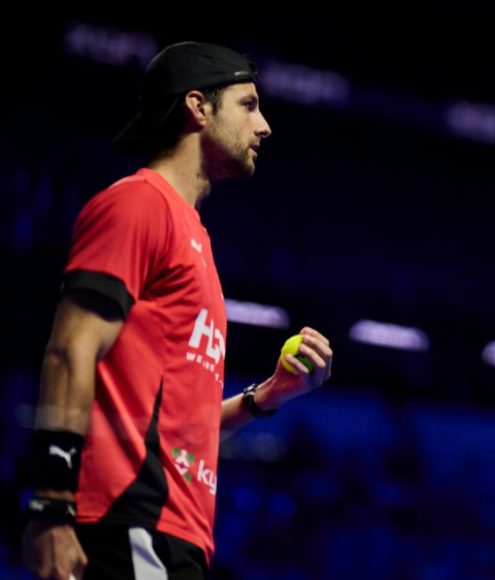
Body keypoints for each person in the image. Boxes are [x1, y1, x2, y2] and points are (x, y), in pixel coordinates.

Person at [21, 41, 334, 579]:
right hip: (126, 522)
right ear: (197, 107)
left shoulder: (198, 239)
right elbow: (69, 350)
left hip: (175, 536)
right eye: (248, 105)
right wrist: (52, 506)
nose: (265, 127)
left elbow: (183, 426)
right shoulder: (137, 204)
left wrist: (268, 396)